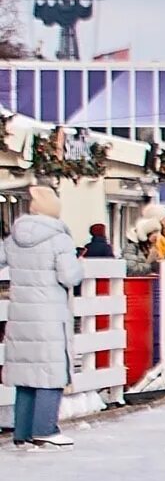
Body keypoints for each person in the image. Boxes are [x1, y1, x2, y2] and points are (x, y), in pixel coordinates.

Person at [5, 185, 83, 448]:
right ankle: (45, 429)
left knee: (26, 373)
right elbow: (69, 276)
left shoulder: (13, 238)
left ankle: (22, 431)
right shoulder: (59, 239)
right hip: (49, 312)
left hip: (21, 311)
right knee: (51, 371)